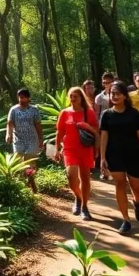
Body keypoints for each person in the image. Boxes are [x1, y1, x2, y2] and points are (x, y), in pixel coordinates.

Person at [99, 81, 139, 235]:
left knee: (138, 187)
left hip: (133, 153)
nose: (114, 96)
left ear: (124, 96)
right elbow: (104, 136)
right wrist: (102, 157)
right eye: (112, 94)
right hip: (114, 154)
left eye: (117, 93)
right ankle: (126, 219)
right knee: (120, 184)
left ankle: (137, 201)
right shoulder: (106, 114)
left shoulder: (134, 113)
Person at [54, 86, 99, 220]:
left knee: (85, 179)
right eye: (71, 96)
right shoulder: (64, 112)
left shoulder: (89, 112)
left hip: (85, 148)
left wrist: (87, 126)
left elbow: (96, 130)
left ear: (81, 98)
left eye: (76, 96)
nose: (73, 99)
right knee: (71, 177)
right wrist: (56, 149)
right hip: (69, 149)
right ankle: (78, 197)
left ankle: (84, 207)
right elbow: (60, 132)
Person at [6, 88, 43, 192]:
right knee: (18, 162)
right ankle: (22, 185)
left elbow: (38, 124)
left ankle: (31, 182)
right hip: (18, 140)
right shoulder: (14, 110)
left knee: (30, 162)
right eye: (19, 97)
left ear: (28, 98)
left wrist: (41, 138)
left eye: (22, 97)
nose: (20, 99)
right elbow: (10, 123)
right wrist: (8, 134)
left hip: (32, 140)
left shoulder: (34, 109)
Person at [94, 73, 114, 179]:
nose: (105, 84)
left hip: (116, 123)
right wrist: (97, 126)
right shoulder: (99, 97)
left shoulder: (117, 93)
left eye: (108, 82)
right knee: (104, 147)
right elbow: (97, 113)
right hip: (104, 123)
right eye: (104, 82)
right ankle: (104, 170)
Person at [83, 79, 101, 174]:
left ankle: (97, 164)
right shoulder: (83, 99)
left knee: (97, 144)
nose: (89, 90)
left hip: (96, 124)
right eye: (87, 88)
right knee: (87, 144)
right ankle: (89, 165)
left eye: (91, 88)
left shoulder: (97, 98)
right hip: (86, 125)